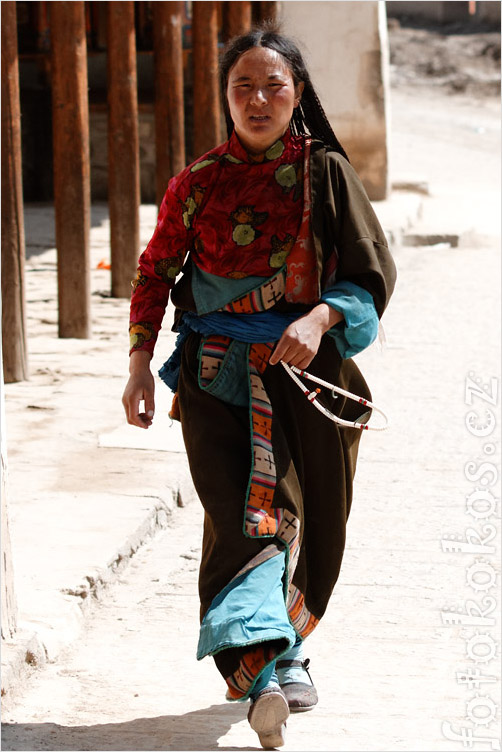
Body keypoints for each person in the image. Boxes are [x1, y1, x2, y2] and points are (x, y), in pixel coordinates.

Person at [122, 24, 396, 749]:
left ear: (298, 92)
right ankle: (263, 673)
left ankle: (287, 649)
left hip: (307, 377)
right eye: (243, 85)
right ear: (225, 98)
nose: (258, 98)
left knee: (310, 516)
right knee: (244, 523)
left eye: (274, 84)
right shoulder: (198, 182)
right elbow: (154, 275)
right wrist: (137, 366)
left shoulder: (324, 173)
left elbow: (370, 273)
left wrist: (320, 316)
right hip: (216, 378)